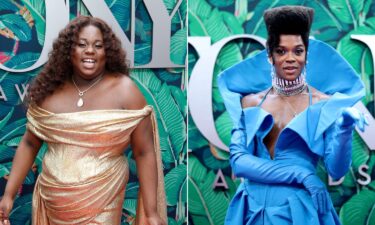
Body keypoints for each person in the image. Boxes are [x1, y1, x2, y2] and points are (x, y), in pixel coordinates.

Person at [0, 16, 167, 225]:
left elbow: (144, 151)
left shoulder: (125, 91)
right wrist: (8, 195)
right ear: (69, 51)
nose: (90, 50)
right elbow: (29, 143)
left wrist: (151, 212)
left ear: (108, 52)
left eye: (98, 45)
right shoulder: (49, 91)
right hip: (52, 205)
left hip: (103, 202)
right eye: (82, 44)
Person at [218, 6, 368, 225]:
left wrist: (344, 129)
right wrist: (301, 174)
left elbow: (336, 170)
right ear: (270, 55)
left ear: (307, 55)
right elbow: (239, 162)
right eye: (281, 51)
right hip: (249, 211)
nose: (290, 58)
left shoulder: (322, 103)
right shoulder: (250, 101)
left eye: (298, 51)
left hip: (298, 212)